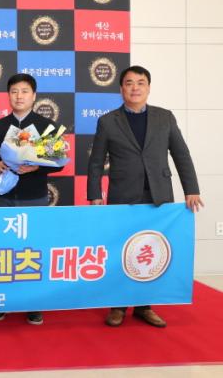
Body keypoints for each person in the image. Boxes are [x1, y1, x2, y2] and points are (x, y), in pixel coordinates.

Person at [88, 65, 203, 328]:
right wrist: (94, 194)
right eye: (129, 83)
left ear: (148, 87)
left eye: (140, 83)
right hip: (123, 196)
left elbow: (181, 154)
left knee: (150, 251)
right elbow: (96, 162)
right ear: (121, 89)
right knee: (122, 251)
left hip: (158, 196)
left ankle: (144, 306)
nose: (135, 88)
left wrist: (192, 189)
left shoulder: (165, 117)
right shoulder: (108, 121)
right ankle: (117, 307)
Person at [0, 73, 64, 326]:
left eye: (24, 91)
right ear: (8, 95)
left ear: (34, 96)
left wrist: (38, 166)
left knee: (33, 251)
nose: (19, 96)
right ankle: (1, 301)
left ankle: (34, 305)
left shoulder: (45, 126)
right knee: (3, 251)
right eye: (14, 91)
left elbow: (59, 162)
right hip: (4, 197)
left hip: (34, 197)